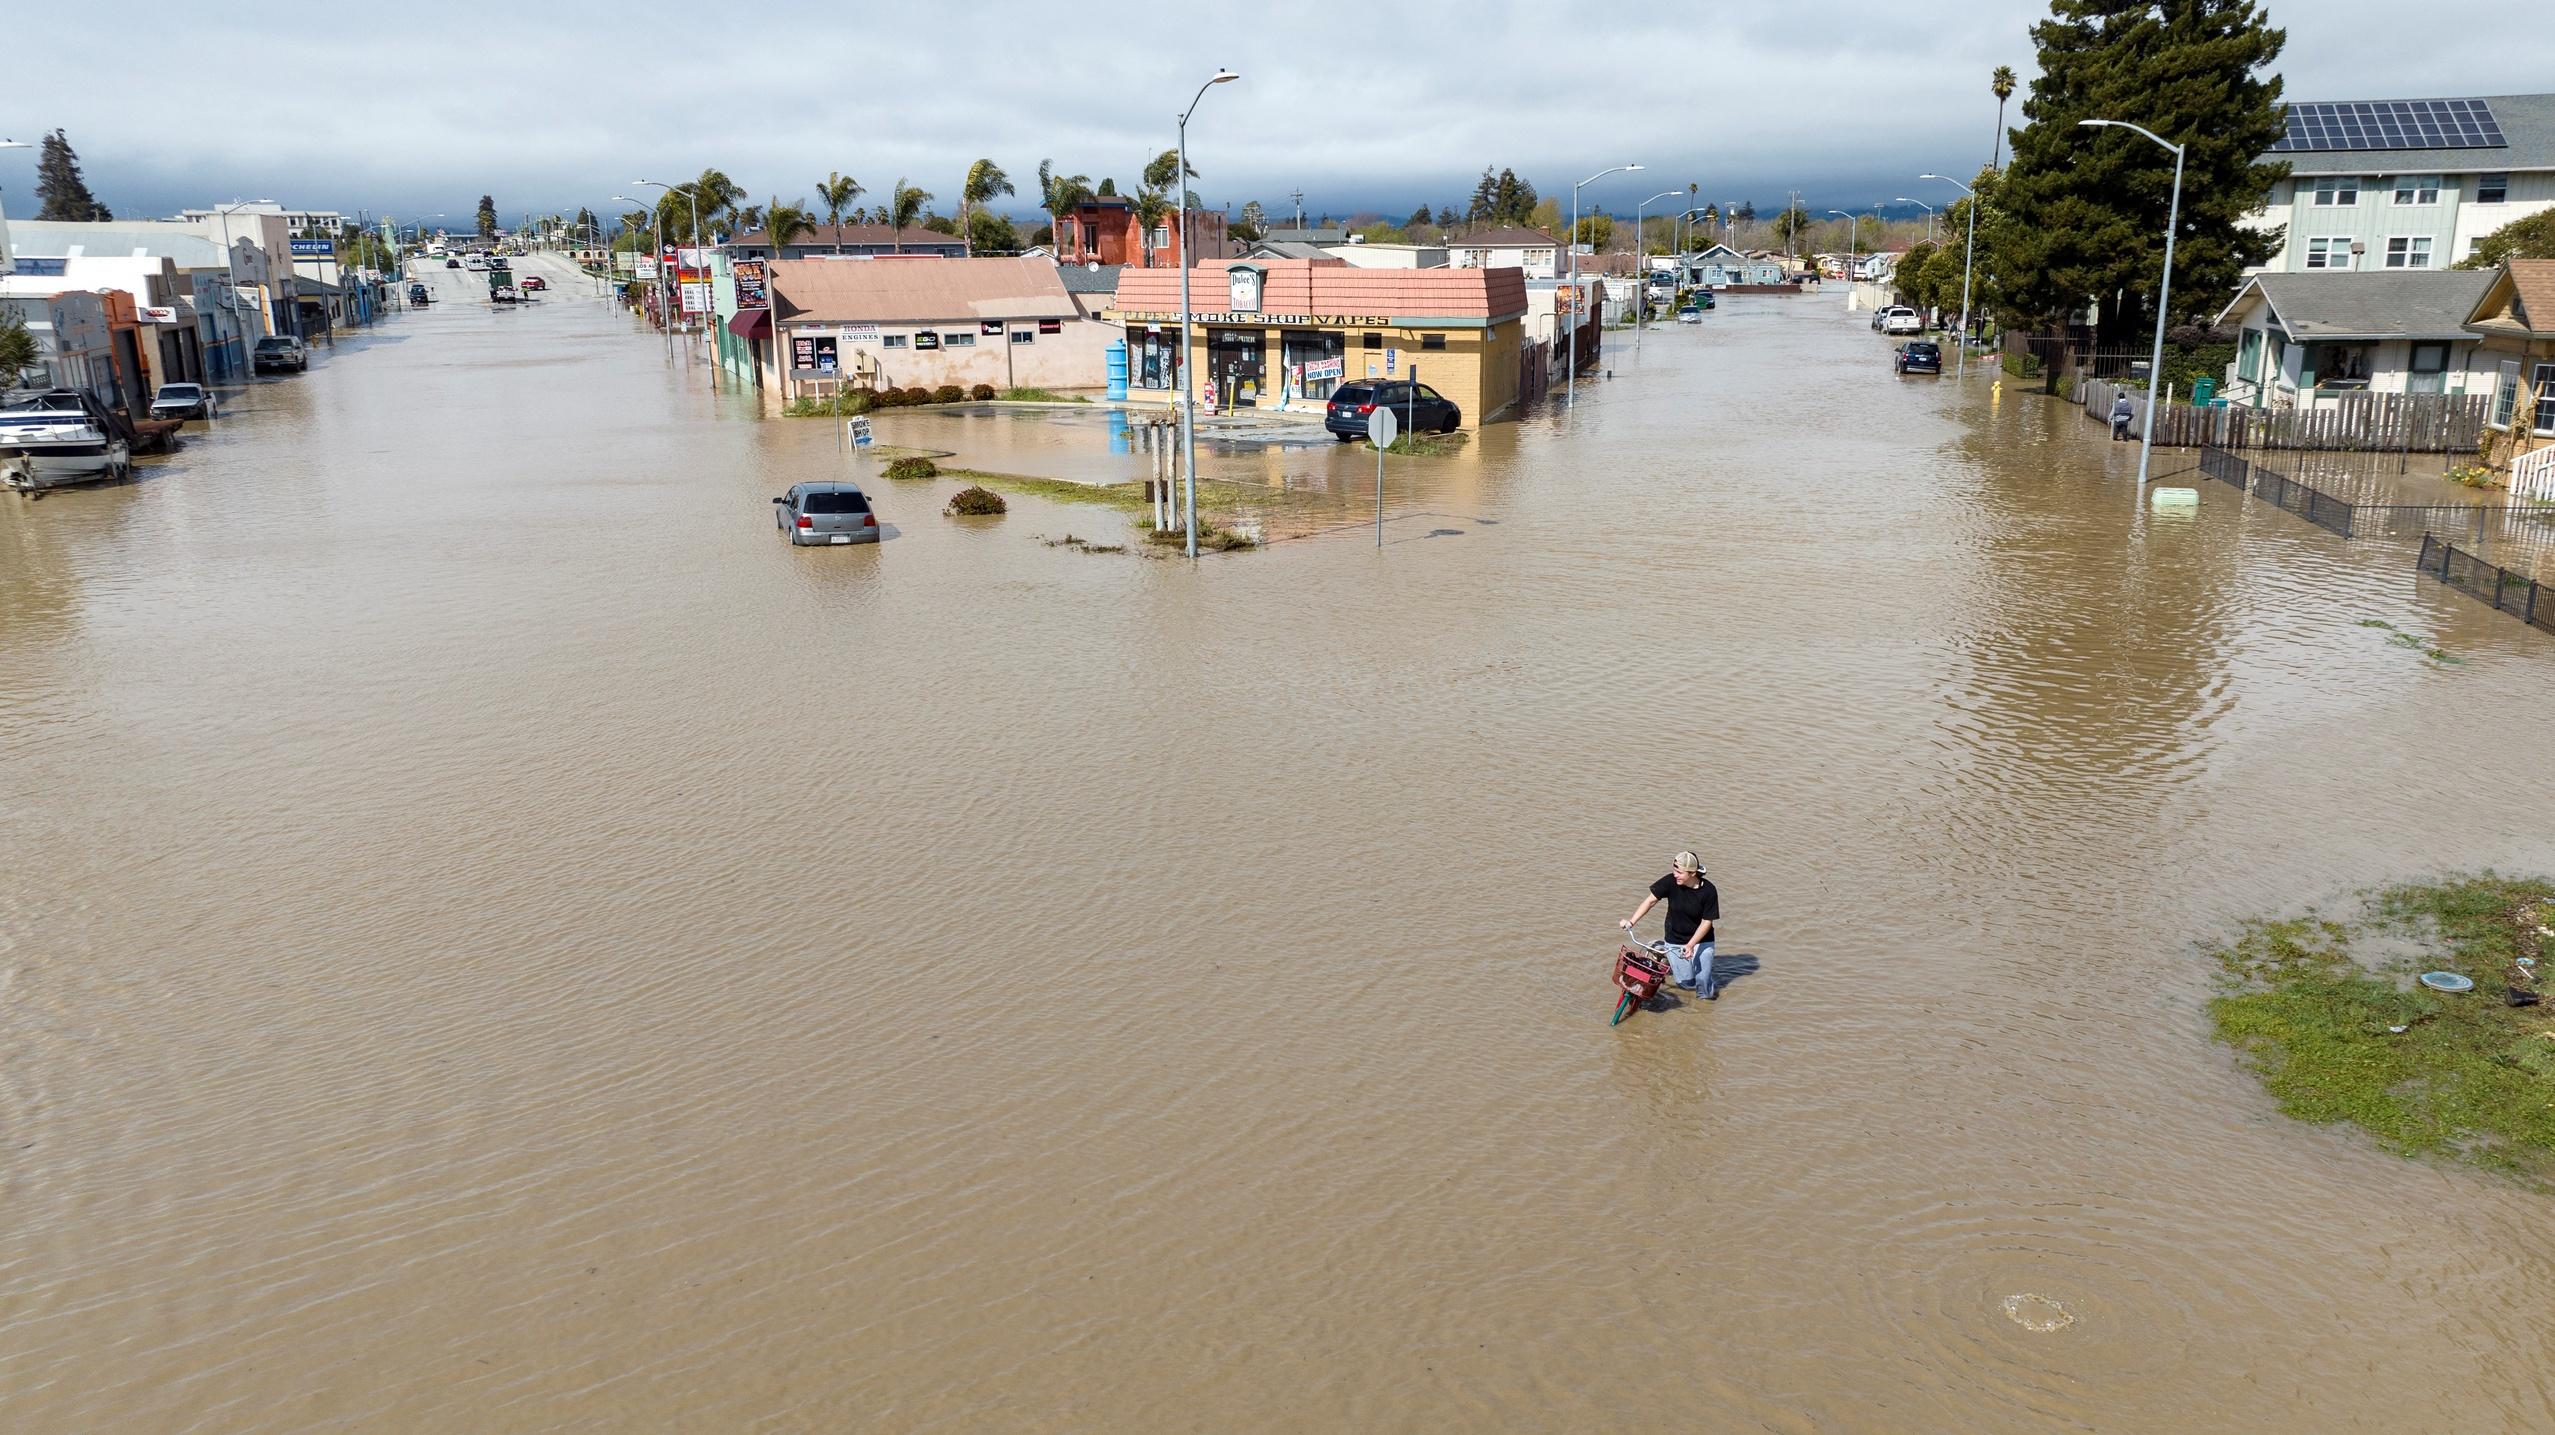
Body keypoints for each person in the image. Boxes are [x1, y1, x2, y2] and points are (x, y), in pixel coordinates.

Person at [1620, 852, 1721, 999]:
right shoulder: (1670, 881)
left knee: (1703, 980)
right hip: (1676, 939)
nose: (1675, 875)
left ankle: (1704, 1008)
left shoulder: (1709, 891)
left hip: (1702, 940)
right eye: (1674, 870)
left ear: (1692, 873)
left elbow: (1707, 922)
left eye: (1679, 872)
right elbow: (1650, 901)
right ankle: (1662, 949)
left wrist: (1691, 945)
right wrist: (1631, 922)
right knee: (1686, 984)